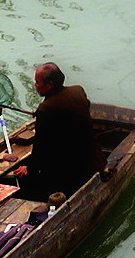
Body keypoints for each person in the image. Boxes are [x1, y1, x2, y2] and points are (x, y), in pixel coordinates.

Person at [12, 63, 104, 199]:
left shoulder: (46, 109)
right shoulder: (78, 90)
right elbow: (85, 106)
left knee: (43, 176)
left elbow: (40, 145)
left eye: (37, 82)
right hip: (94, 158)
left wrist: (30, 169)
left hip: (71, 169)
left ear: (49, 84)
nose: (35, 85)